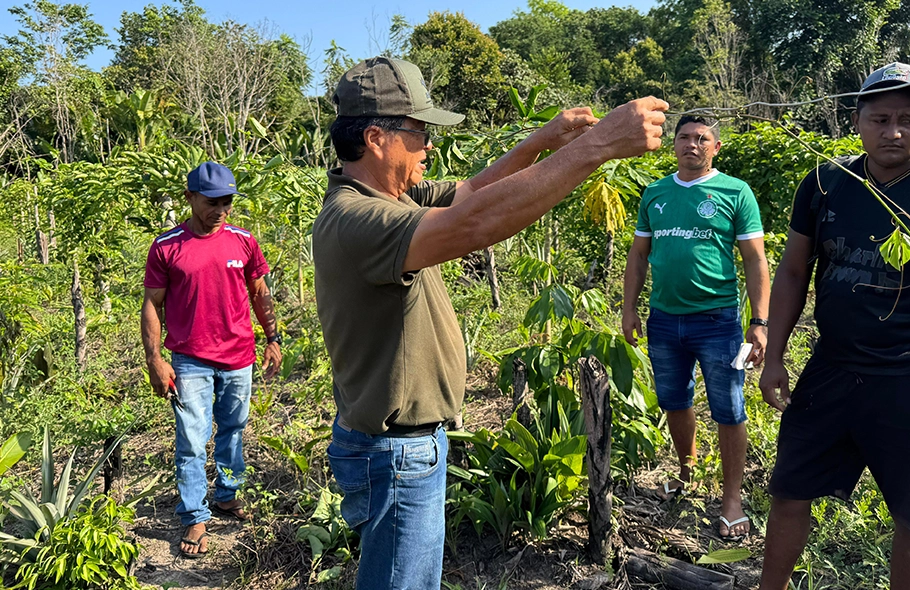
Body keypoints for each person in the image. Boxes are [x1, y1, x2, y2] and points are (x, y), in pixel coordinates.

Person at [312, 56, 668, 589]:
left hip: (404, 449)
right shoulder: (358, 218)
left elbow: (471, 193)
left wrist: (543, 142)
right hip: (394, 454)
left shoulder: (390, 197)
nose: (429, 145)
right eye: (420, 132)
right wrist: (598, 148)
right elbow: (474, 223)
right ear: (376, 137)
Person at [758, 62, 910, 589]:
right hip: (833, 368)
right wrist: (774, 355)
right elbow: (794, 271)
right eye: (880, 118)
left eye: (908, 119)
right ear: (856, 119)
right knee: (790, 491)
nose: (893, 131)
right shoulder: (825, 181)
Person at [622, 115, 770, 541]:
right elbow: (638, 256)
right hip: (664, 320)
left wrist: (757, 323)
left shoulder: (735, 192)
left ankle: (732, 499)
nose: (692, 144)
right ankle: (686, 472)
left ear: (716, 147)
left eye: (702, 138)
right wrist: (630, 309)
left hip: (718, 321)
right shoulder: (655, 193)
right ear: (673, 145)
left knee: (729, 408)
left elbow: (756, 261)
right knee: (674, 400)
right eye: (684, 137)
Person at [141, 162, 282, 558]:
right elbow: (152, 304)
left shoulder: (243, 241)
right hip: (189, 361)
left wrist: (272, 338)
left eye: (227, 202)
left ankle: (227, 494)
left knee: (234, 430)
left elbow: (260, 292)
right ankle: (194, 515)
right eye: (211, 201)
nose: (220, 209)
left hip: (239, 358)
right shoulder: (167, 246)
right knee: (191, 441)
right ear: (190, 198)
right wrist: (155, 360)